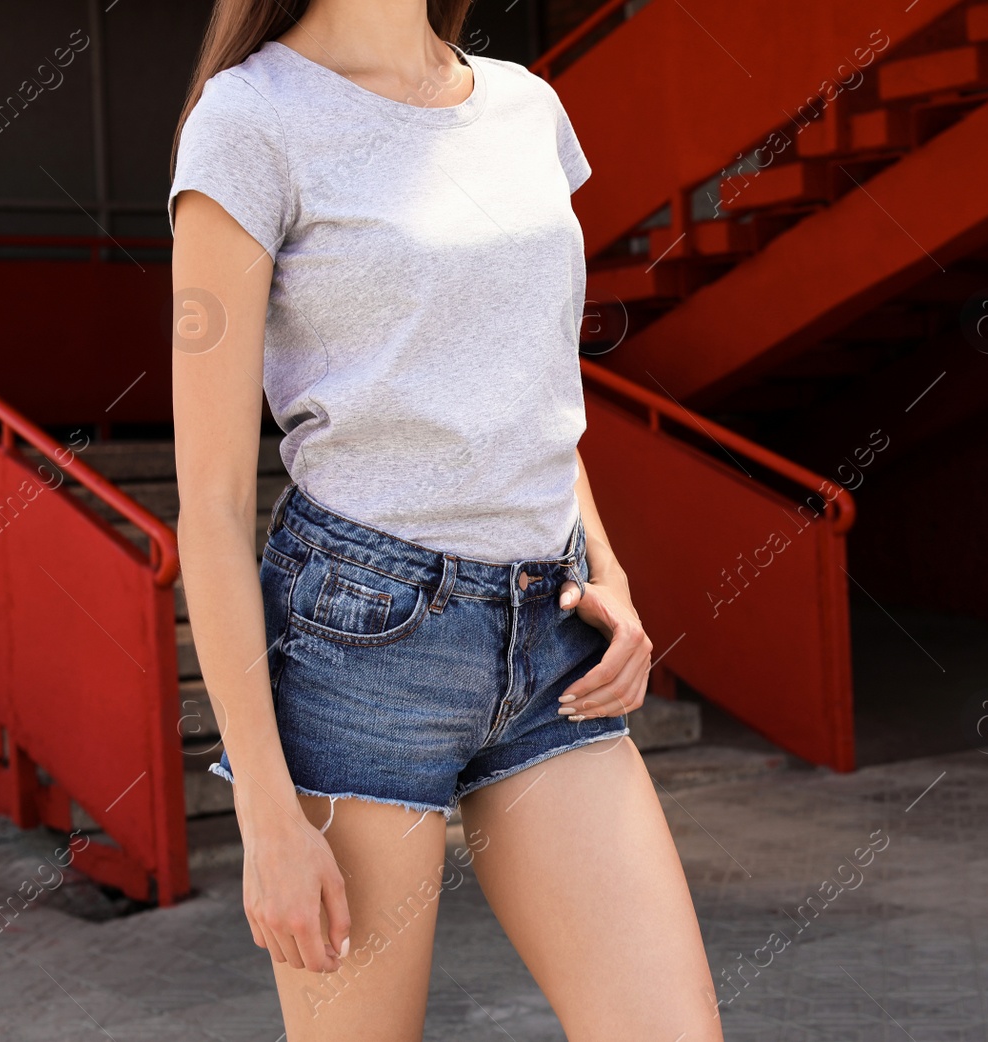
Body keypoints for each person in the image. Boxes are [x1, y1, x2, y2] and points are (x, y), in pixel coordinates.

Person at [167, 1, 723, 1038]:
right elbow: (210, 504)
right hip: (360, 640)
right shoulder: (250, 120)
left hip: (552, 638)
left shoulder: (525, 105)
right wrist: (266, 813)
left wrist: (613, 572)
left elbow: (537, 387)